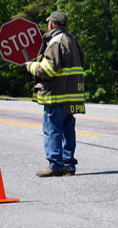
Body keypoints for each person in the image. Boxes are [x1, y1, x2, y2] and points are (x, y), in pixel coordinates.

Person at [24, 11, 86, 177]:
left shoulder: (56, 42)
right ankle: (68, 165)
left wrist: (31, 66)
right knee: (67, 131)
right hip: (70, 97)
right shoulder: (72, 40)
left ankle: (55, 165)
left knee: (52, 131)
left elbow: (48, 69)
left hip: (55, 96)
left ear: (51, 24)